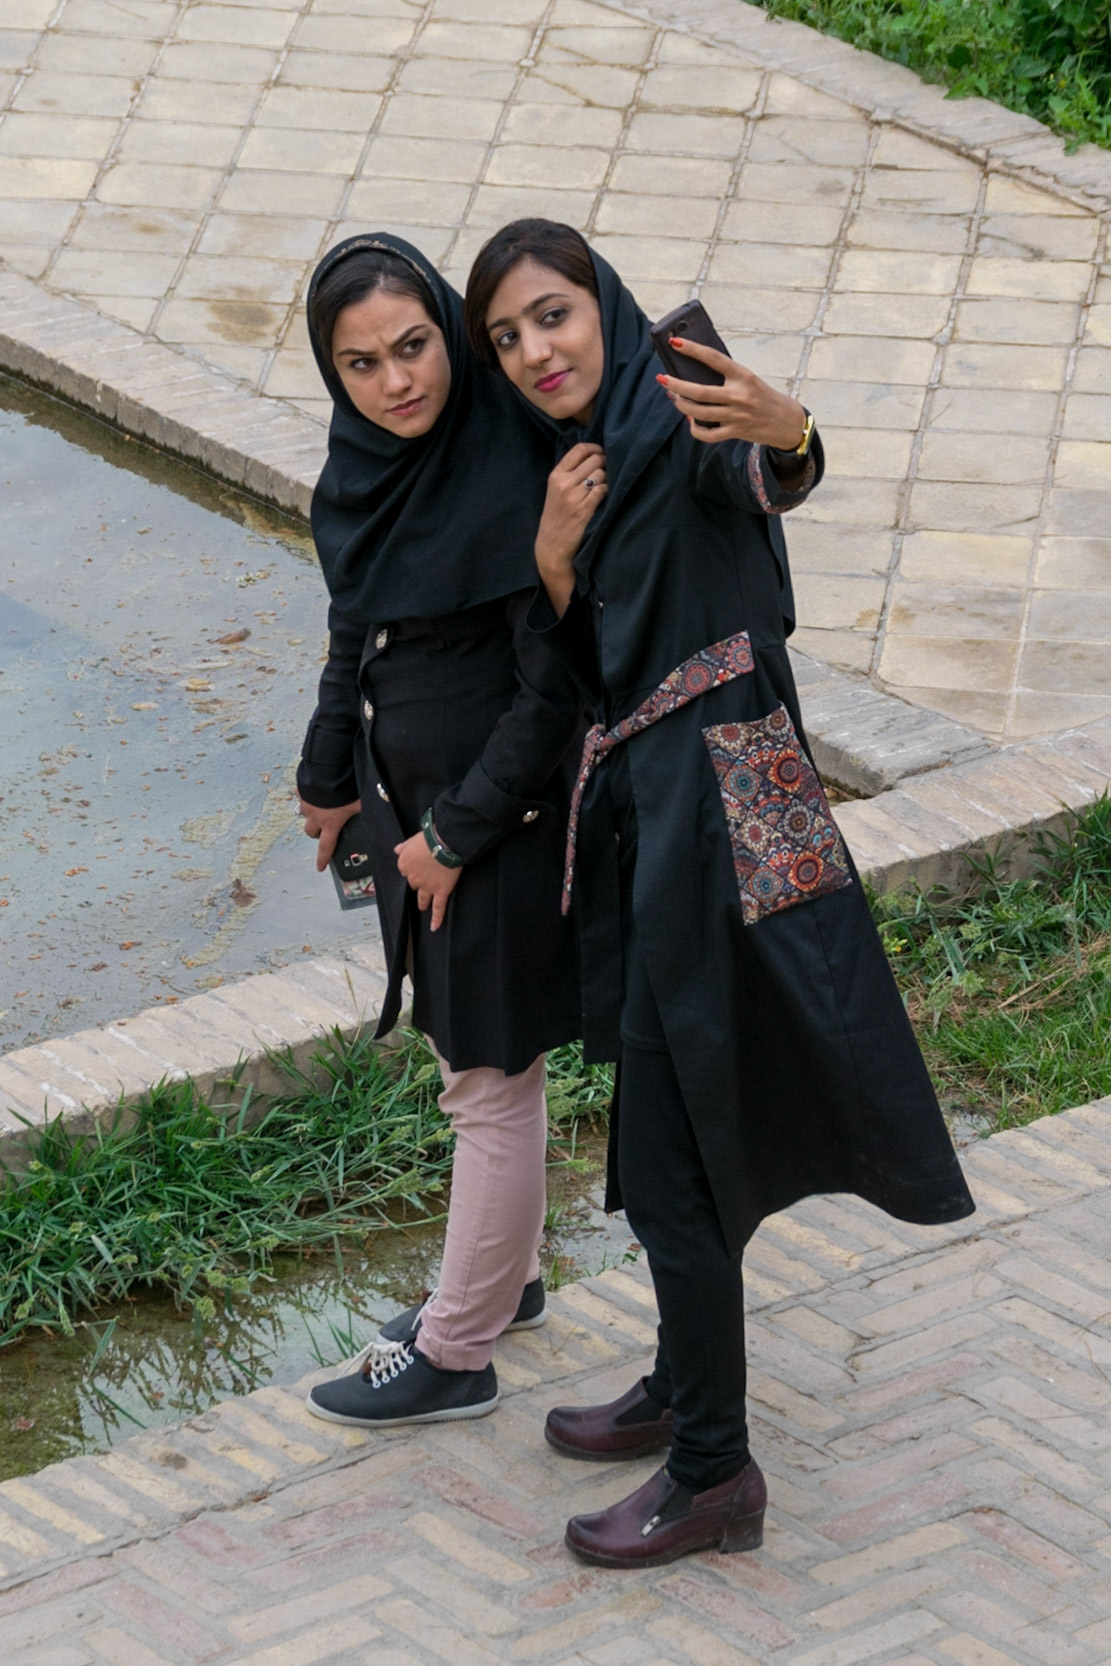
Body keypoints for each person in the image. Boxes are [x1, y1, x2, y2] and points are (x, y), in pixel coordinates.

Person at [464, 220, 975, 1568]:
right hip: (658, 807)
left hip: (726, 802)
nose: (534, 350)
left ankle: (710, 1471)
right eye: (507, 337)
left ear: (602, 304)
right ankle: (686, 1389)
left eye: (551, 314)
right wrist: (560, 562)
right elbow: (592, 673)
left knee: (687, 1123)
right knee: (664, 1113)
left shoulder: (678, 388)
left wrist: (796, 432)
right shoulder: (573, 465)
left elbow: (762, 467)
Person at [296, 233, 585, 1430]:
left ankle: (457, 1350)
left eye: (414, 347)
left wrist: (453, 838)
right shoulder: (366, 474)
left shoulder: (513, 469)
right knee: (472, 1052)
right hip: (416, 814)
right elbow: (352, 628)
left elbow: (553, 689)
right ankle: (500, 1281)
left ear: (453, 341)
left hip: (489, 825)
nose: (395, 383)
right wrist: (327, 773)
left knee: (486, 1074)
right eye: (359, 363)